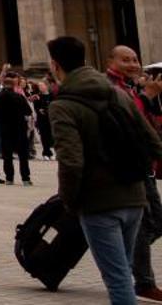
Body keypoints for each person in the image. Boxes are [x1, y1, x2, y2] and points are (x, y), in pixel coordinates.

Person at [49, 35, 162, 305]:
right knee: (122, 270)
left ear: (55, 66)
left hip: (98, 202)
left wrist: (69, 200)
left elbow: (71, 161)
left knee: (118, 277)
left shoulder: (62, 105)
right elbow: (153, 143)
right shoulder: (120, 94)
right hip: (134, 197)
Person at [104, 45, 162, 303]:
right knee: (147, 222)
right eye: (125, 60)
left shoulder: (129, 87)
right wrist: (147, 97)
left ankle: (127, 264)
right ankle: (139, 277)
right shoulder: (110, 87)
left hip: (142, 164)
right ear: (110, 61)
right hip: (129, 166)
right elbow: (129, 120)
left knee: (150, 222)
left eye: (135, 59)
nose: (133, 64)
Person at [0, 72, 35, 186]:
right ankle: (25, 178)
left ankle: (9, 178)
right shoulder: (19, 97)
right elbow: (28, 111)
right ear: (13, 86)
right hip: (19, 127)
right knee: (23, 154)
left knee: (7, 154)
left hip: (4, 128)